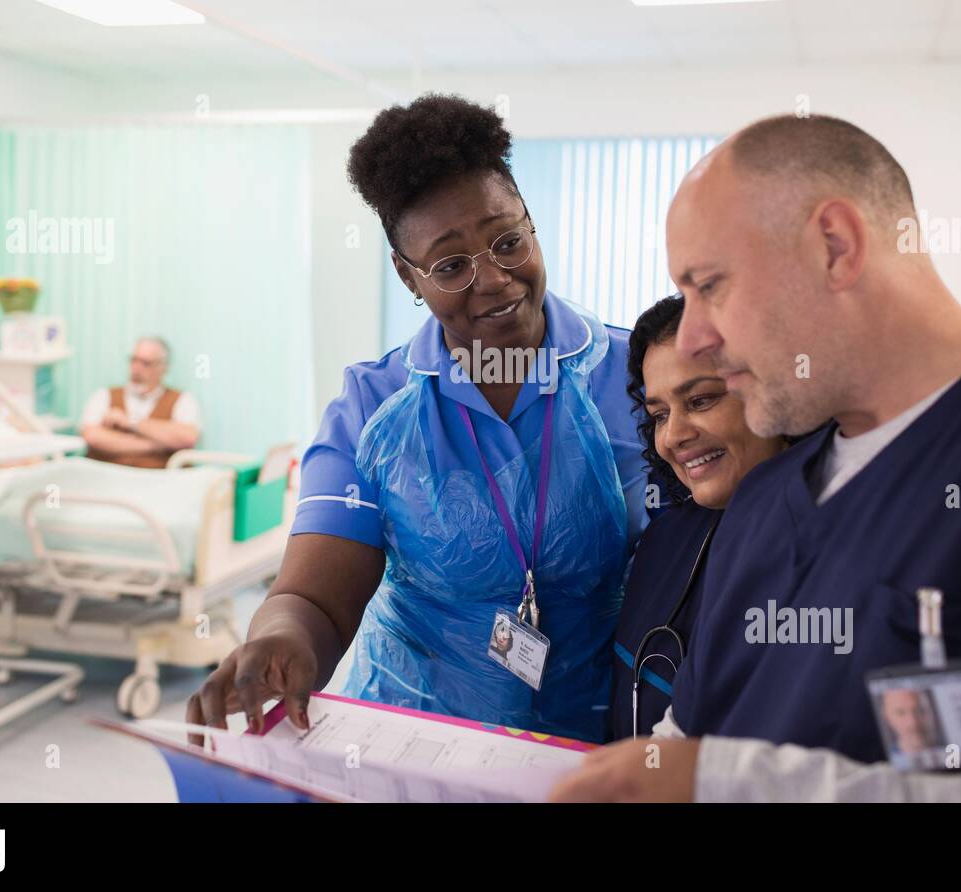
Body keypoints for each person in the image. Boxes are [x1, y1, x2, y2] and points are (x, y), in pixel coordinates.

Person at [551, 114, 961, 801]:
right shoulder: (766, 502)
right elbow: (688, 740)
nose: (693, 336)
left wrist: (740, 789)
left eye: (709, 286)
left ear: (835, 246)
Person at [188, 94, 649, 744]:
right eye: (452, 264)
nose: (493, 278)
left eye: (509, 240)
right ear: (409, 276)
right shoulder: (374, 409)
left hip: (594, 744)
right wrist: (280, 638)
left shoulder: (642, 378)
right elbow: (314, 598)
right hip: (415, 742)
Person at [609, 295, 786, 741]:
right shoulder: (665, 537)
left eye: (702, 400)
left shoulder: (818, 556)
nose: (674, 435)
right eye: (660, 415)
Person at [78, 336, 200, 468]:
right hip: (108, 480)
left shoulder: (183, 400)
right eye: (133, 360)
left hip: (160, 482)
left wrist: (130, 421)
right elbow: (92, 436)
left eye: (146, 363)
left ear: (164, 368)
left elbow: (187, 437)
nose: (136, 369)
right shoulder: (104, 395)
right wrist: (157, 445)